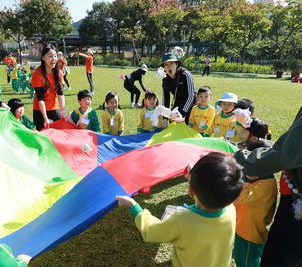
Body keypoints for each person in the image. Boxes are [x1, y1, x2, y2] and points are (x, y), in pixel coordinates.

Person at [116, 152, 243, 267]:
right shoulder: (230, 209)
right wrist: (196, 179)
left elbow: (151, 231)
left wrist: (134, 206)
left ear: (191, 190)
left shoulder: (182, 220)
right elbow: (212, 194)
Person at [234, 107, 302, 266]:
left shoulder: (264, 185)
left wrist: (240, 160)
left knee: (278, 258)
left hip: (292, 210)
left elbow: (288, 153)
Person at [233, 118, 277, 267]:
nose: (243, 172)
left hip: (250, 234)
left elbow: (240, 195)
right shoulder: (256, 178)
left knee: (248, 261)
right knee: (241, 257)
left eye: (246, 168)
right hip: (241, 227)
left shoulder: (265, 185)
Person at [31, 44, 65, 131]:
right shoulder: (37, 74)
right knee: (43, 136)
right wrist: (45, 118)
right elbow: (40, 99)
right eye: (50, 56)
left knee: (58, 134)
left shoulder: (59, 73)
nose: (53, 59)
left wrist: (62, 112)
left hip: (54, 107)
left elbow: (60, 94)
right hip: (40, 110)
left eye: (55, 56)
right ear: (43, 58)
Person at [161, 51, 196, 125]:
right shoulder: (165, 79)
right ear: (164, 67)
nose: (169, 67)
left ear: (176, 64)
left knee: (187, 124)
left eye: (171, 63)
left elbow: (191, 96)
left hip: (192, 104)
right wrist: (165, 118)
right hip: (178, 101)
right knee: (172, 123)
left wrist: (182, 114)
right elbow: (165, 99)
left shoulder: (186, 75)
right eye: (166, 65)